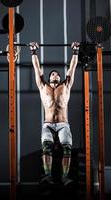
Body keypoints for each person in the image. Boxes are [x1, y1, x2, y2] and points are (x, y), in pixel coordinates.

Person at [29, 41, 79, 186]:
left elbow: (72, 67)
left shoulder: (66, 85)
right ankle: (48, 176)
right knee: (46, 149)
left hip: (63, 124)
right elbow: (37, 68)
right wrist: (33, 51)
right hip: (48, 124)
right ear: (49, 78)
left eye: (57, 74)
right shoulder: (43, 86)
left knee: (67, 150)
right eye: (52, 74)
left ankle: (64, 178)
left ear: (59, 77)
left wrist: (75, 51)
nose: (55, 74)